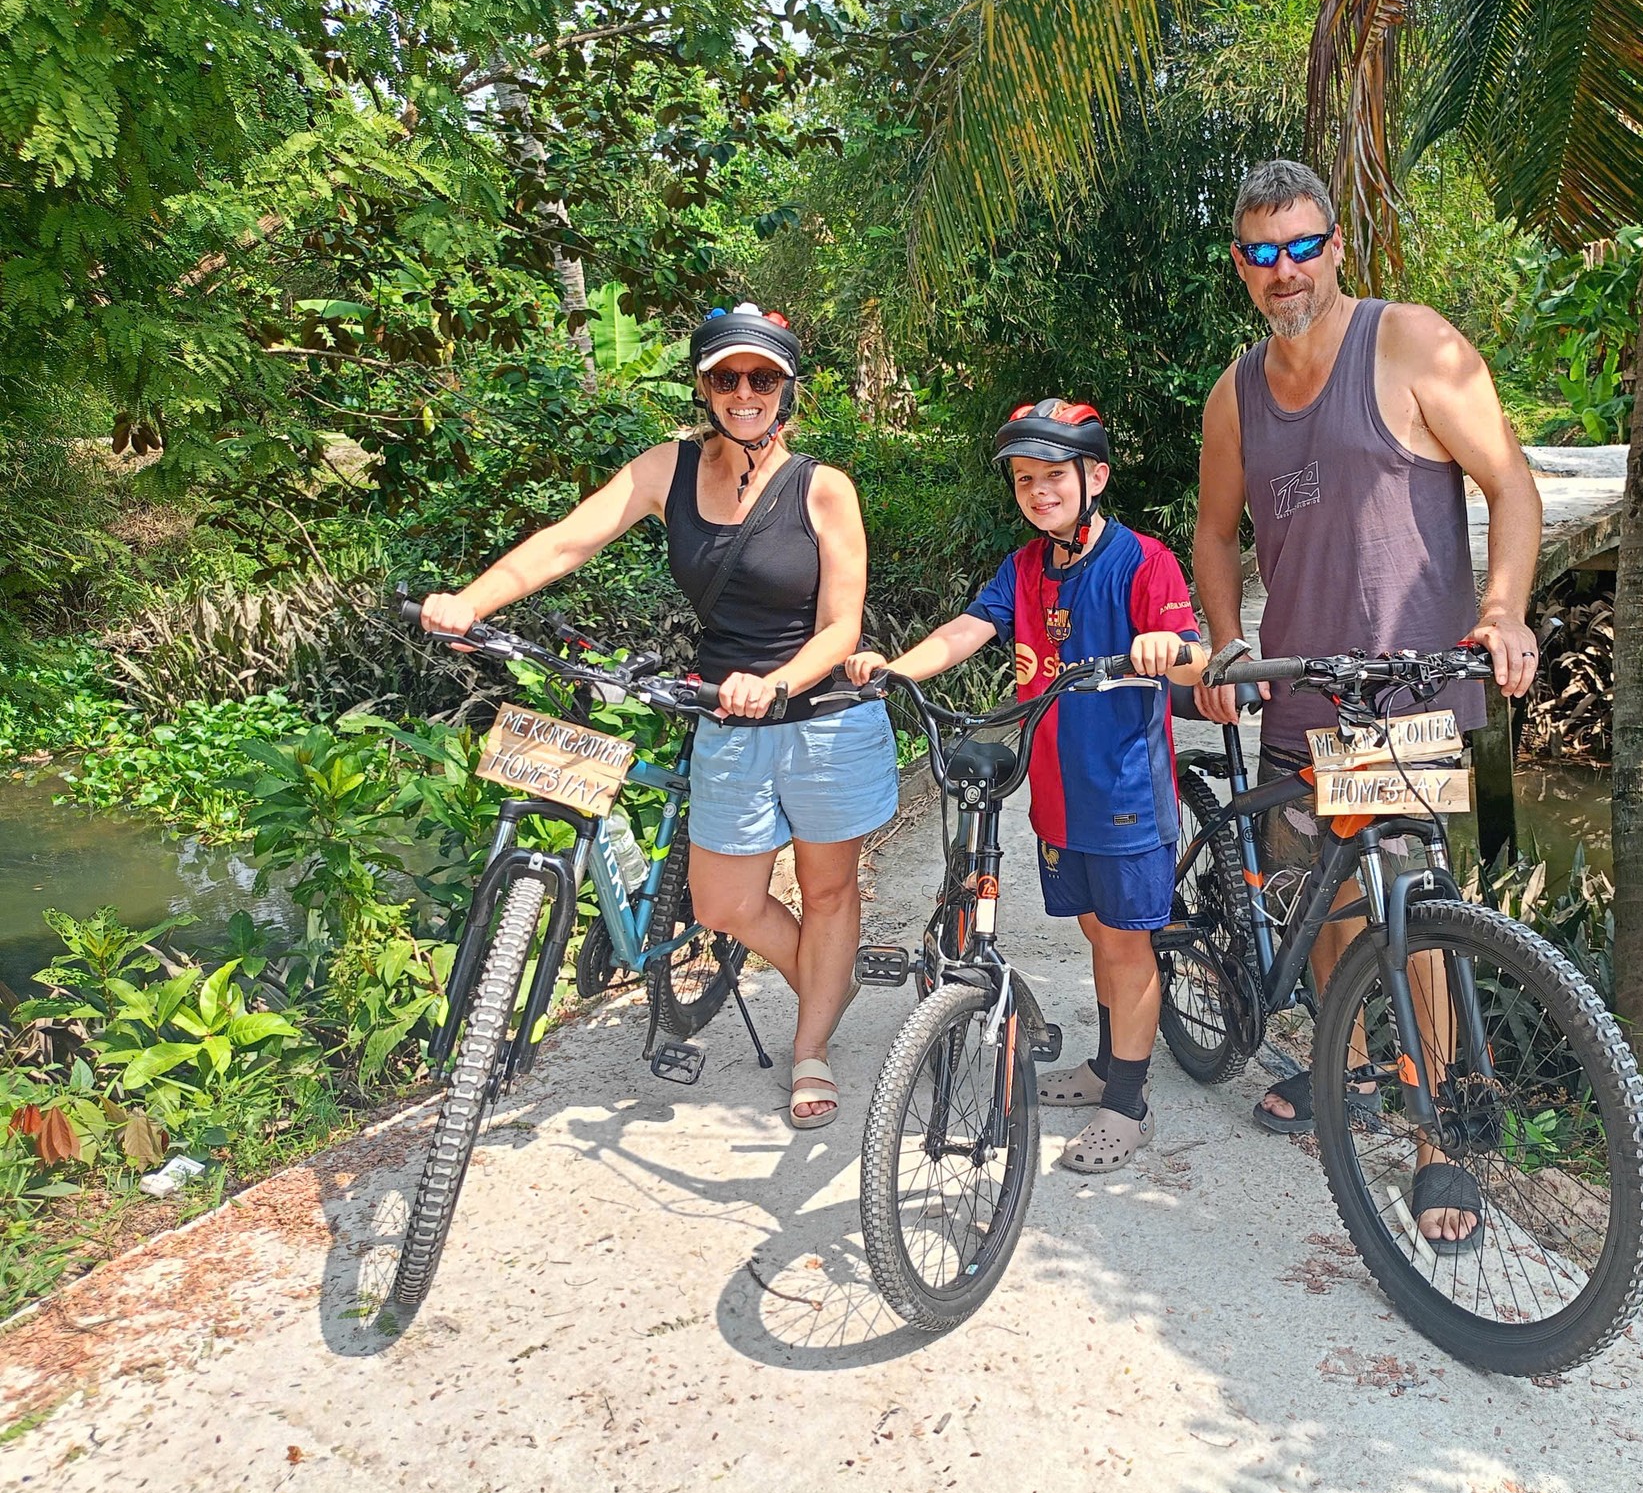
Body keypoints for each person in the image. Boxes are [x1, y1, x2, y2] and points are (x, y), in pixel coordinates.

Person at [417, 303, 897, 1130]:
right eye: (725, 376)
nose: (743, 392)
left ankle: (811, 1043)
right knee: (722, 905)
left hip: (820, 717)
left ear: (786, 389)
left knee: (827, 890)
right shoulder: (664, 470)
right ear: (705, 385)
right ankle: (831, 975)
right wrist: (471, 601)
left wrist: (779, 683)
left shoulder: (823, 487)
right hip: (724, 715)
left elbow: (841, 627)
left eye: (762, 377)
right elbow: (567, 541)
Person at [1190, 160, 1543, 1247]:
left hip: (1397, 690)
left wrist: (1502, 611)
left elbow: (1510, 485)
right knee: (1328, 899)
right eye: (1261, 253)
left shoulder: (1407, 342)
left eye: (1301, 246)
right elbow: (1213, 533)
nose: (1283, 270)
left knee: (1411, 914)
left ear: (1336, 246)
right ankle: (1340, 1064)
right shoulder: (1234, 393)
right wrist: (1219, 643)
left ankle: (1439, 1141)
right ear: (1240, 265)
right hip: (1296, 689)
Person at [846, 400, 1207, 1174]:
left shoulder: (1144, 562)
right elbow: (970, 628)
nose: (1038, 492)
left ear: (1096, 476)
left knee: (1125, 944)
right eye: (1024, 480)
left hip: (1123, 794)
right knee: (1094, 934)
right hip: (1054, 794)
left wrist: (1164, 647)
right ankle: (1112, 1064)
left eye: (1053, 477)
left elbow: (1194, 658)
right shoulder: (1025, 567)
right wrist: (895, 669)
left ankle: (1129, 1103)